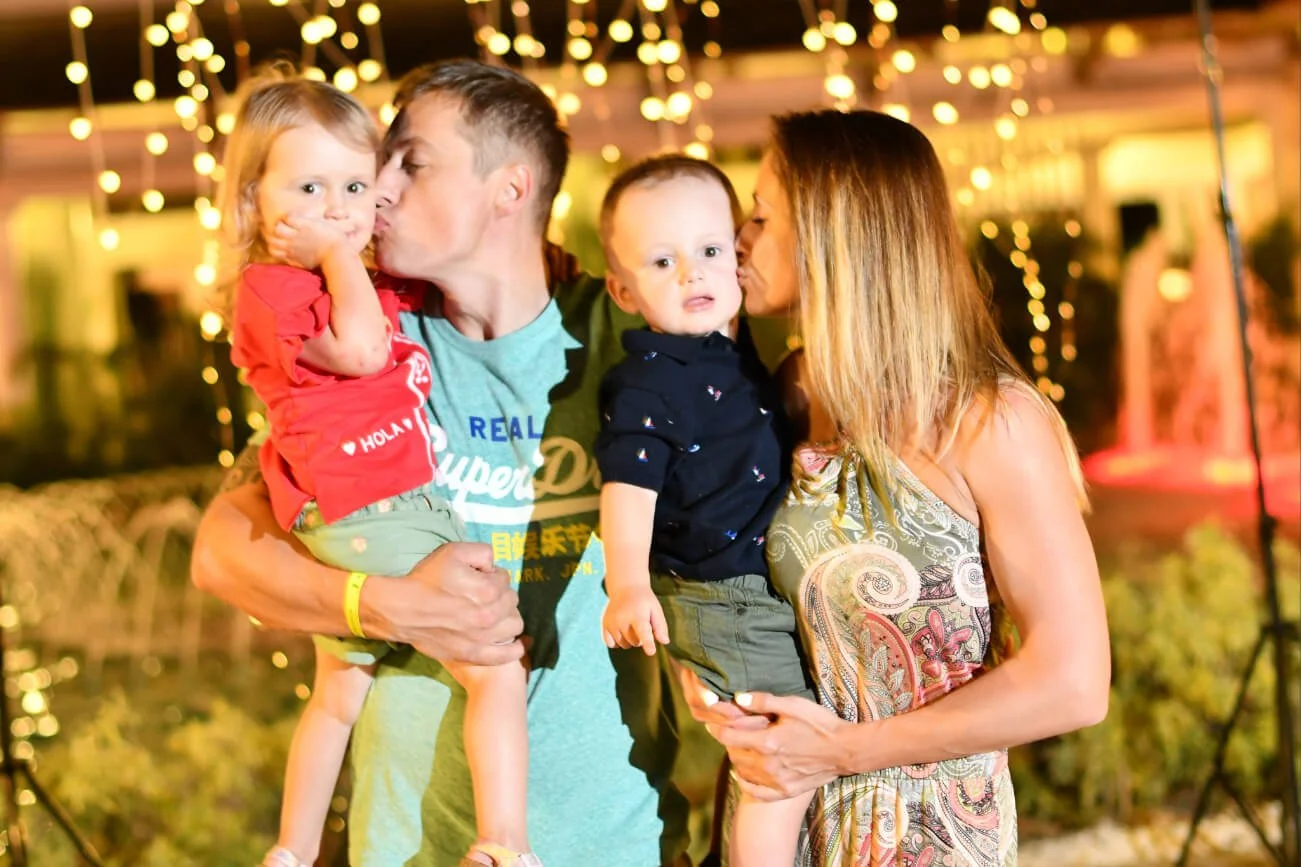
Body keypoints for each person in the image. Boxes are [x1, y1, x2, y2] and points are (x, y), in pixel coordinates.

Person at [192, 59, 697, 866]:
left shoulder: (624, 339)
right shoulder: (370, 344)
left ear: (509, 188)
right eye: (378, 165)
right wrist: (381, 605)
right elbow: (220, 552)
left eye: (411, 163)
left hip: (617, 842)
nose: (379, 190)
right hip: (408, 847)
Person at [679, 109, 1111, 866]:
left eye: (761, 216)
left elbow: (1073, 680)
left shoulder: (988, 421)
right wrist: (711, 671)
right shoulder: (790, 394)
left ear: (837, 235)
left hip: (924, 833)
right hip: (780, 819)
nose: (738, 240)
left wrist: (842, 750)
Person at [215, 71, 540, 867]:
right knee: (497, 666)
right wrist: (338, 253)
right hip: (379, 507)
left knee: (336, 697)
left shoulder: (346, 282)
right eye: (311, 188)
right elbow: (362, 350)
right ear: (254, 201)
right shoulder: (276, 288)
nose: (346, 206)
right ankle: (505, 842)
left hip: (355, 515)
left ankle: (291, 849)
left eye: (356, 186)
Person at [594, 155, 813, 866]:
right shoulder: (649, 381)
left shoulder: (726, 348)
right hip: (722, 595)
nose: (693, 274)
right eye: (663, 262)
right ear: (623, 290)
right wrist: (627, 583)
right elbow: (628, 485)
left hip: (744, 589)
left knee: (777, 742)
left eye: (712, 251)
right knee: (779, 758)